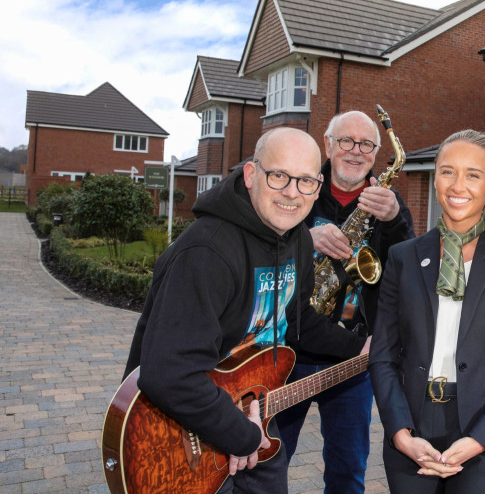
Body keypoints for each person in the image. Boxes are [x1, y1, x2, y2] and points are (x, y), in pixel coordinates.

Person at [123, 127, 369, 493]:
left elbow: (297, 319)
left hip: (248, 420)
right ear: (252, 175)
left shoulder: (298, 240)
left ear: (317, 188)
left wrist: (358, 347)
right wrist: (238, 434)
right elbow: (169, 373)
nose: (291, 192)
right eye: (279, 176)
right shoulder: (207, 252)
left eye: (304, 181)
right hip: (178, 441)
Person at [370, 129, 485, 493]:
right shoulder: (403, 257)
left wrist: (481, 439)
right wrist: (401, 434)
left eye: (473, 174)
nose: (458, 185)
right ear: (435, 178)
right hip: (413, 424)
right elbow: (383, 356)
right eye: (448, 171)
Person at [274, 110, 414, 494]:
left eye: (366, 144)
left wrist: (396, 219)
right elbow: (262, 240)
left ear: (376, 153)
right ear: (328, 144)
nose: (356, 151)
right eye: (346, 141)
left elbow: (407, 269)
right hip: (289, 354)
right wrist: (306, 238)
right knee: (269, 463)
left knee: (348, 471)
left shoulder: (387, 201)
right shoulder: (297, 188)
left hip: (353, 359)